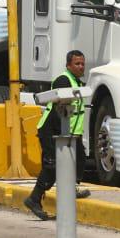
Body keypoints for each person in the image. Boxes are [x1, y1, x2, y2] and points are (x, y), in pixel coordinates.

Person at [24, 50, 91, 221]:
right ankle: (34, 199)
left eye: (83, 63)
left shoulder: (77, 82)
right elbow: (57, 110)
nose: (81, 66)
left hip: (69, 132)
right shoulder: (63, 80)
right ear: (68, 65)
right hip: (52, 131)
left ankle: (70, 189)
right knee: (51, 167)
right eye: (77, 63)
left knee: (80, 159)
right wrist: (56, 140)